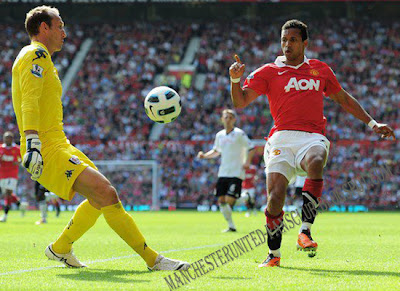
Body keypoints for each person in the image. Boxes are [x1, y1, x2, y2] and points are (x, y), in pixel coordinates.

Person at [12, 5, 189, 270]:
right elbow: (29, 100)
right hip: (47, 146)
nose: (64, 32)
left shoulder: (41, 57)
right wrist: (33, 142)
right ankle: (154, 260)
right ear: (43, 28)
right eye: (59, 26)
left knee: (99, 196)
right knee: (107, 193)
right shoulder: (36, 53)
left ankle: (60, 248)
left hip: (58, 142)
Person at [229, 19, 395, 267]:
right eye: (284, 40)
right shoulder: (268, 71)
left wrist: (373, 124)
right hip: (281, 138)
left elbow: (343, 99)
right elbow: (240, 102)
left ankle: (305, 231)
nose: (287, 45)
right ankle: (273, 255)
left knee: (317, 159)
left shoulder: (320, 69)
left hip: (312, 137)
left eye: (293, 40)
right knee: (275, 198)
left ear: (305, 43)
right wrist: (234, 80)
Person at [197, 109, 255, 232]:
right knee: (221, 200)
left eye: (230, 117)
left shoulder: (239, 133)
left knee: (229, 201)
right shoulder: (220, 135)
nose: (227, 119)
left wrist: (247, 162)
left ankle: (244, 197)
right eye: (225, 117)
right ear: (222, 119)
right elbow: (216, 151)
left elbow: (251, 148)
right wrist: (205, 156)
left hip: (236, 172)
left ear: (234, 120)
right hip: (223, 172)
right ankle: (231, 225)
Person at [0, 132, 23, 222]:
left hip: (12, 174)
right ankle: (19, 203)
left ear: (12, 139)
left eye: (9, 138)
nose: (7, 139)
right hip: (2, 174)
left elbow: (22, 159)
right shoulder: (1, 148)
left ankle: (5, 215)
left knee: (8, 193)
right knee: (6, 193)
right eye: (6, 138)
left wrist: (18, 162)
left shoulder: (16, 149)